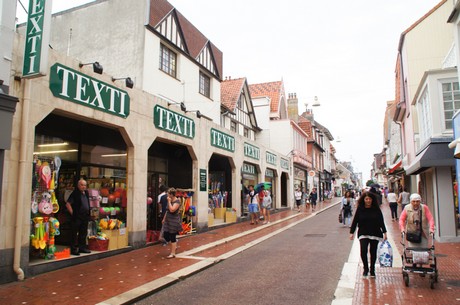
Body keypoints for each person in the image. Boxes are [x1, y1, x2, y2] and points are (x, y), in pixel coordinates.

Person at [349, 191, 387, 278]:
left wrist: (385, 232)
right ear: (363, 200)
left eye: (370, 199)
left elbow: (381, 221)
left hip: (375, 232)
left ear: (372, 200)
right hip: (363, 232)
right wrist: (352, 232)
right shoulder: (360, 209)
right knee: (363, 250)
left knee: (373, 252)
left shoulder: (376, 209)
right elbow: (355, 221)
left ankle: (372, 269)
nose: (368, 200)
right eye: (366, 199)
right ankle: (365, 268)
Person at [66, 179, 91, 255]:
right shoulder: (75, 193)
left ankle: (82, 248)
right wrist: (73, 213)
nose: (83, 187)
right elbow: (68, 204)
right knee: (74, 233)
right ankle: (73, 249)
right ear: (78, 185)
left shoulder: (86, 193)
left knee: (83, 233)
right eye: (82, 185)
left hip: (85, 216)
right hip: (77, 216)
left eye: (85, 185)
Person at [162, 188, 183, 258]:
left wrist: (169, 201)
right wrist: (164, 219)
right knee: (165, 235)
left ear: (171, 194)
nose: (167, 195)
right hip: (168, 220)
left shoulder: (177, 201)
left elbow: (172, 210)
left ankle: (173, 253)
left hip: (173, 221)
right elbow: (167, 210)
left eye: (168, 194)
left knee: (172, 236)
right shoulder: (170, 200)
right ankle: (174, 245)